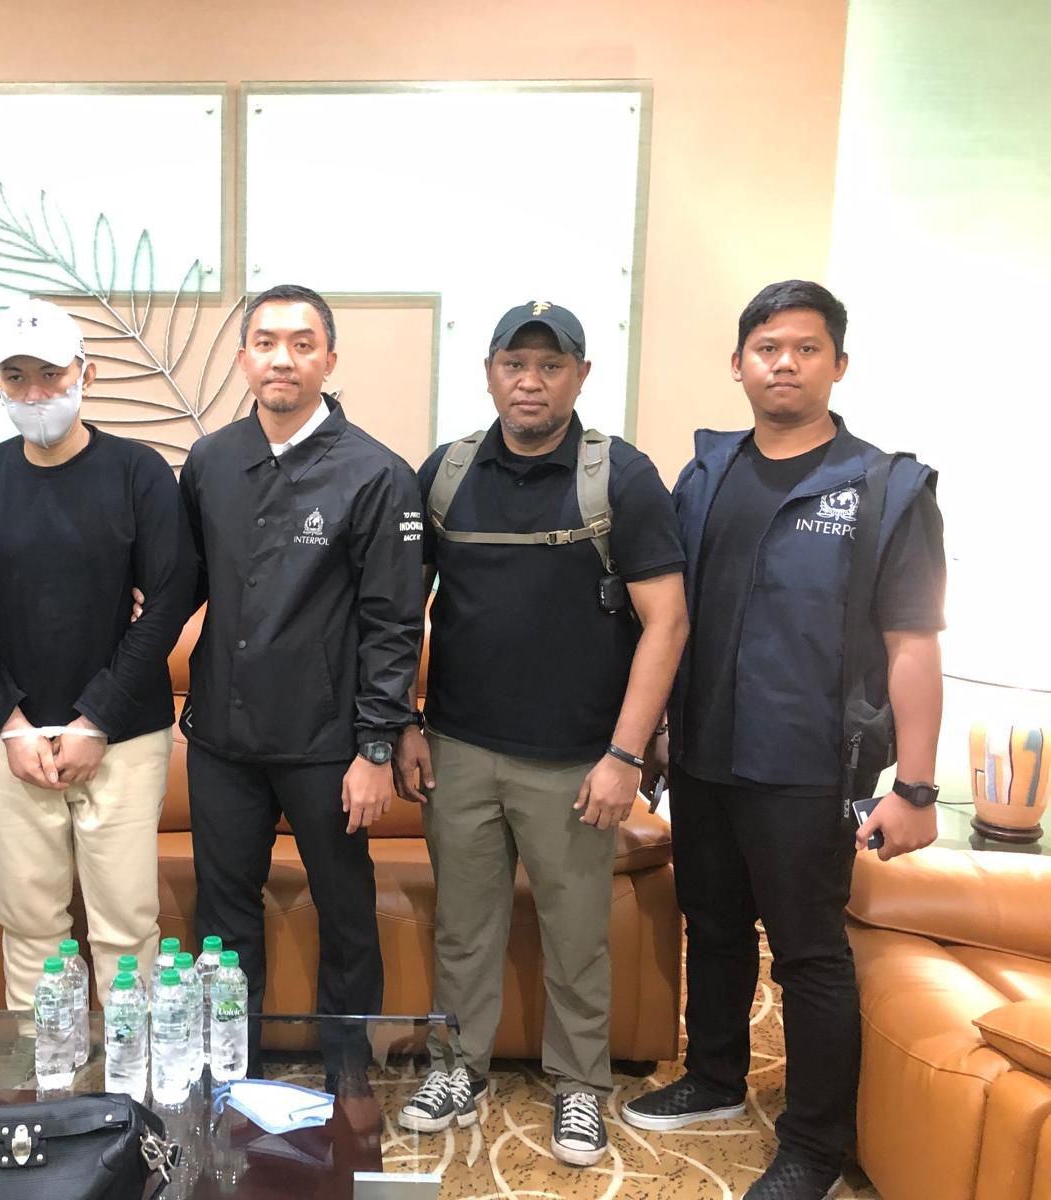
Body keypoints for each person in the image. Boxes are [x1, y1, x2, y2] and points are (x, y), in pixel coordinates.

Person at [622, 280, 945, 1200]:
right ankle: (716, 1075)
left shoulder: (885, 488)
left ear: (838, 364)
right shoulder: (705, 474)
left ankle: (813, 1143)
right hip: (704, 754)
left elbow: (914, 643)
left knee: (808, 956)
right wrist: (656, 732)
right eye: (767, 349)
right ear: (738, 365)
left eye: (806, 349)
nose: (785, 364)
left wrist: (916, 788)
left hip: (809, 765)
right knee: (713, 924)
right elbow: (671, 619)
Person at [391, 301, 687, 1166]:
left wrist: (624, 755)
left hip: (576, 761)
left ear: (581, 376)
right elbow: (400, 611)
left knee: (576, 932)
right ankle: (458, 1067)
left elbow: (667, 623)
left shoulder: (620, 476)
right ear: (489, 372)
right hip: (458, 749)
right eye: (514, 364)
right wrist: (405, 721)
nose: (531, 381)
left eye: (551, 365)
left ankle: (580, 1083)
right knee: (464, 926)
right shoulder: (446, 474)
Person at [178, 283, 423, 1084]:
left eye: (302, 343)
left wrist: (376, 747)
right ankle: (227, 1074)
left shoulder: (376, 473)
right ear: (244, 357)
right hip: (222, 738)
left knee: (345, 911)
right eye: (265, 342)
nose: (282, 358)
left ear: (329, 359)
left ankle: (349, 1078)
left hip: (329, 745)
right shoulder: (211, 461)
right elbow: (183, 582)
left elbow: (394, 622)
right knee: (222, 922)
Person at [0, 298, 193, 1007]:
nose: (35, 394)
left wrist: (96, 719)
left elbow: (165, 603)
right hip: (12, 737)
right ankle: (41, 1064)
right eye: (16, 377)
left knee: (126, 925)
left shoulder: (140, 473)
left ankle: (130, 1064)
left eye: (50, 374)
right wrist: (8, 722)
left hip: (123, 735)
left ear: (86, 372)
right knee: (29, 922)